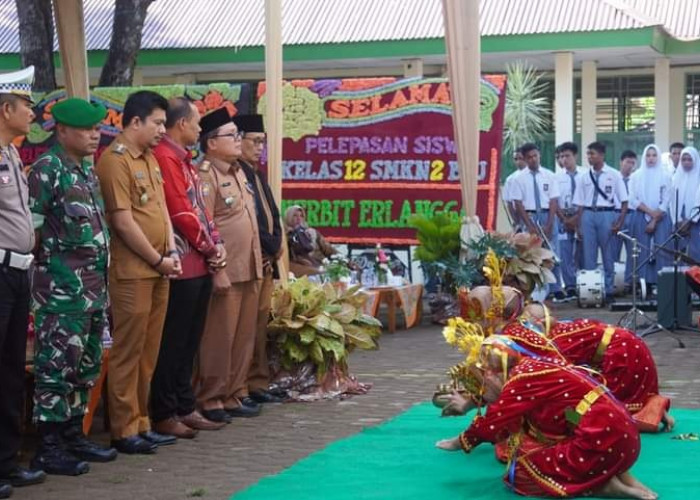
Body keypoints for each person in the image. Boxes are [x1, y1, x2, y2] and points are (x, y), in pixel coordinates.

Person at [436, 326, 656, 500]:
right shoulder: (533, 365)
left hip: (604, 440)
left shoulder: (519, 381)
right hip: (623, 439)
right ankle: (619, 477)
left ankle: (604, 487)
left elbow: (494, 422)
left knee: (520, 472)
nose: (484, 388)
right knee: (541, 431)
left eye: (484, 381)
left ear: (493, 372)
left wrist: (460, 441)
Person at [27, 98, 118, 476]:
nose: (94, 134)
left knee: (85, 365)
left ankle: (72, 434)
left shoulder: (86, 170)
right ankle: (48, 447)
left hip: (93, 290)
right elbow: (30, 231)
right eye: (85, 129)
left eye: (97, 128)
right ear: (61, 131)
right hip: (61, 291)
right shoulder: (47, 170)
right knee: (56, 368)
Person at [96, 90, 181, 455]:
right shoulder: (115, 160)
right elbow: (123, 222)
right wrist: (158, 259)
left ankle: (142, 421)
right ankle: (123, 428)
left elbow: (161, 211)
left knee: (150, 350)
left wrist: (173, 251)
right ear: (134, 122)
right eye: (158, 123)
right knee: (129, 351)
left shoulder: (149, 158)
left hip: (160, 268)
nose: (163, 129)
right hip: (133, 271)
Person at [149, 98, 227, 438]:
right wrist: (211, 247)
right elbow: (180, 212)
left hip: (200, 263)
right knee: (173, 343)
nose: (199, 129)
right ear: (182, 125)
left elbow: (201, 209)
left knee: (189, 343)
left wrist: (216, 242)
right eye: (196, 123)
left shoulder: (185, 160)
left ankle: (184, 406)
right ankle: (165, 411)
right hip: (182, 265)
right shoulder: (166, 158)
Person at [194, 108, 263, 423]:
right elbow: (204, 226)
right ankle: (211, 398)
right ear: (210, 143)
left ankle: (234, 393)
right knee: (219, 338)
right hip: (227, 270)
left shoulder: (237, 171)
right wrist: (217, 269)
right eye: (231, 136)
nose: (238, 140)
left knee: (243, 336)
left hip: (249, 266)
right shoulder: (206, 174)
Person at [0, 66, 46, 498]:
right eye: (26, 106)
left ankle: (7, 461)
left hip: (17, 270)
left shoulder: (12, 154)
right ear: (6, 108)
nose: (31, 114)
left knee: (12, 371)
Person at [233, 114, 285, 404]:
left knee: (260, 326)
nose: (259, 147)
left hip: (267, 260)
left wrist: (277, 240)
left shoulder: (256, 173)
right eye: (254, 141)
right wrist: (269, 244)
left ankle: (258, 382)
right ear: (238, 141)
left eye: (262, 142)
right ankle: (242, 386)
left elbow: (272, 214)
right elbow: (249, 219)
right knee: (245, 329)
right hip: (251, 260)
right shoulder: (237, 174)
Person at [572, 142, 628, 303]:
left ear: (602, 155)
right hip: (588, 215)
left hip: (607, 214)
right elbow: (580, 203)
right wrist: (578, 225)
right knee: (589, 255)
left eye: (593, 154)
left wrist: (619, 223)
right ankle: (592, 292)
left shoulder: (614, 174)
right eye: (588, 154)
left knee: (608, 254)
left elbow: (624, 201)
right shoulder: (583, 176)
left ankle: (609, 290)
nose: (589, 157)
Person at [510, 142, 565, 302]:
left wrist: (549, 223)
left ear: (539, 155)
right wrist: (529, 225)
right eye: (529, 157)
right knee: (533, 255)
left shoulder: (549, 175)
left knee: (553, 252)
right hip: (530, 216)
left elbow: (554, 200)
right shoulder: (518, 178)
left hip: (548, 215)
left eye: (535, 156)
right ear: (525, 159)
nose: (533, 159)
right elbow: (518, 203)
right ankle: (538, 290)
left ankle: (556, 289)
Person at [628, 144, 673, 294]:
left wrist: (654, 218)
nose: (651, 158)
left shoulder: (666, 176)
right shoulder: (636, 176)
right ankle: (643, 284)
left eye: (654, 155)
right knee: (641, 250)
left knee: (662, 250)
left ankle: (662, 283)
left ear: (658, 157)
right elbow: (633, 199)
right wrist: (650, 213)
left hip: (661, 217)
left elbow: (666, 200)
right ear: (644, 157)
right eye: (648, 155)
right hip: (641, 216)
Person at [554, 142, 584, 300]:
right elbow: (554, 200)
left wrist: (577, 218)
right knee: (564, 253)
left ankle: (585, 285)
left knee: (583, 252)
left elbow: (586, 199)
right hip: (563, 218)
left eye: (567, 156)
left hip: (581, 216)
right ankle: (570, 285)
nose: (564, 159)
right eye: (561, 156)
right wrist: (564, 219)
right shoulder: (556, 177)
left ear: (575, 156)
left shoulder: (585, 174)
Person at [284, 205, 338, 277]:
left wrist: (344, 260)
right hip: (298, 266)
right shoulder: (284, 235)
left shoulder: (312, 232)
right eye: (295, 215)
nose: (299, 218)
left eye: (301, 216)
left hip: (317, 263)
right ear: (289, 217)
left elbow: (329, 249)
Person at [612, 150, 637, 289]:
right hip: (616, 215)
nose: (630, 165)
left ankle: (629, 281)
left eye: (633, 163)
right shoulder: (613, 177)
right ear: (621, 162)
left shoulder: (636, 178)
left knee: (631, 251)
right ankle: (614, 282)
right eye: (628, 162)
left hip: (632, 215)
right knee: (613, 250)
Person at [670, 146, 700, 263]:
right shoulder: (676, 177)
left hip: (695, 222)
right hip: (679, 223)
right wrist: (676, 220)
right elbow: (672, 201)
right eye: (684, 159)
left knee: (695, 253)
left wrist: (690, 220)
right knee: (678, 254)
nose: (686, 162)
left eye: (689, 159)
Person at [502, 147, 527, 231]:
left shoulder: (537, 175)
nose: (518, 162)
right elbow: (509, 203)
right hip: (519, 217)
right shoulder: (510, 179)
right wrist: (516, 221)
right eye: (516, 159)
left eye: (521, 158)